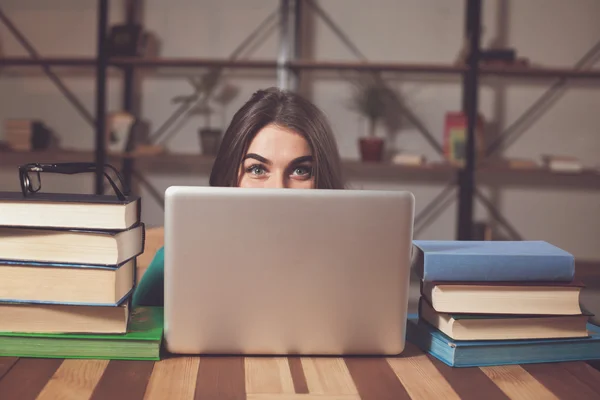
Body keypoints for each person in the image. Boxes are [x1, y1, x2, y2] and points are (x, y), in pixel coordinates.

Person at [132, 87, 345, 306]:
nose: (278, 190)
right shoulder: (175, 261)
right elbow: (140, 334)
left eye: (300, 171)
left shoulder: (354, 265)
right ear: (230, 178)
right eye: (257, 169)